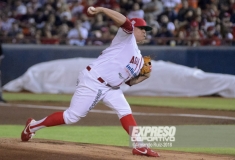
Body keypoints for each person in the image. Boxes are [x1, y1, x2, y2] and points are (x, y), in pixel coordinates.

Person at [21, 6, 159, 157]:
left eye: (146, 29)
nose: (145, 31)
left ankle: (139, 146)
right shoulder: (126, 38)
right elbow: (124, 21)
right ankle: (32, 126)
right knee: (71, 116)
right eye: (141, 28)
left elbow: (129, 83)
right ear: (133, 28)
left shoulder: (140, 60)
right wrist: (101, 9)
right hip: (93, 80)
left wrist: (144, 77)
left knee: (125, 110)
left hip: (112, 88)